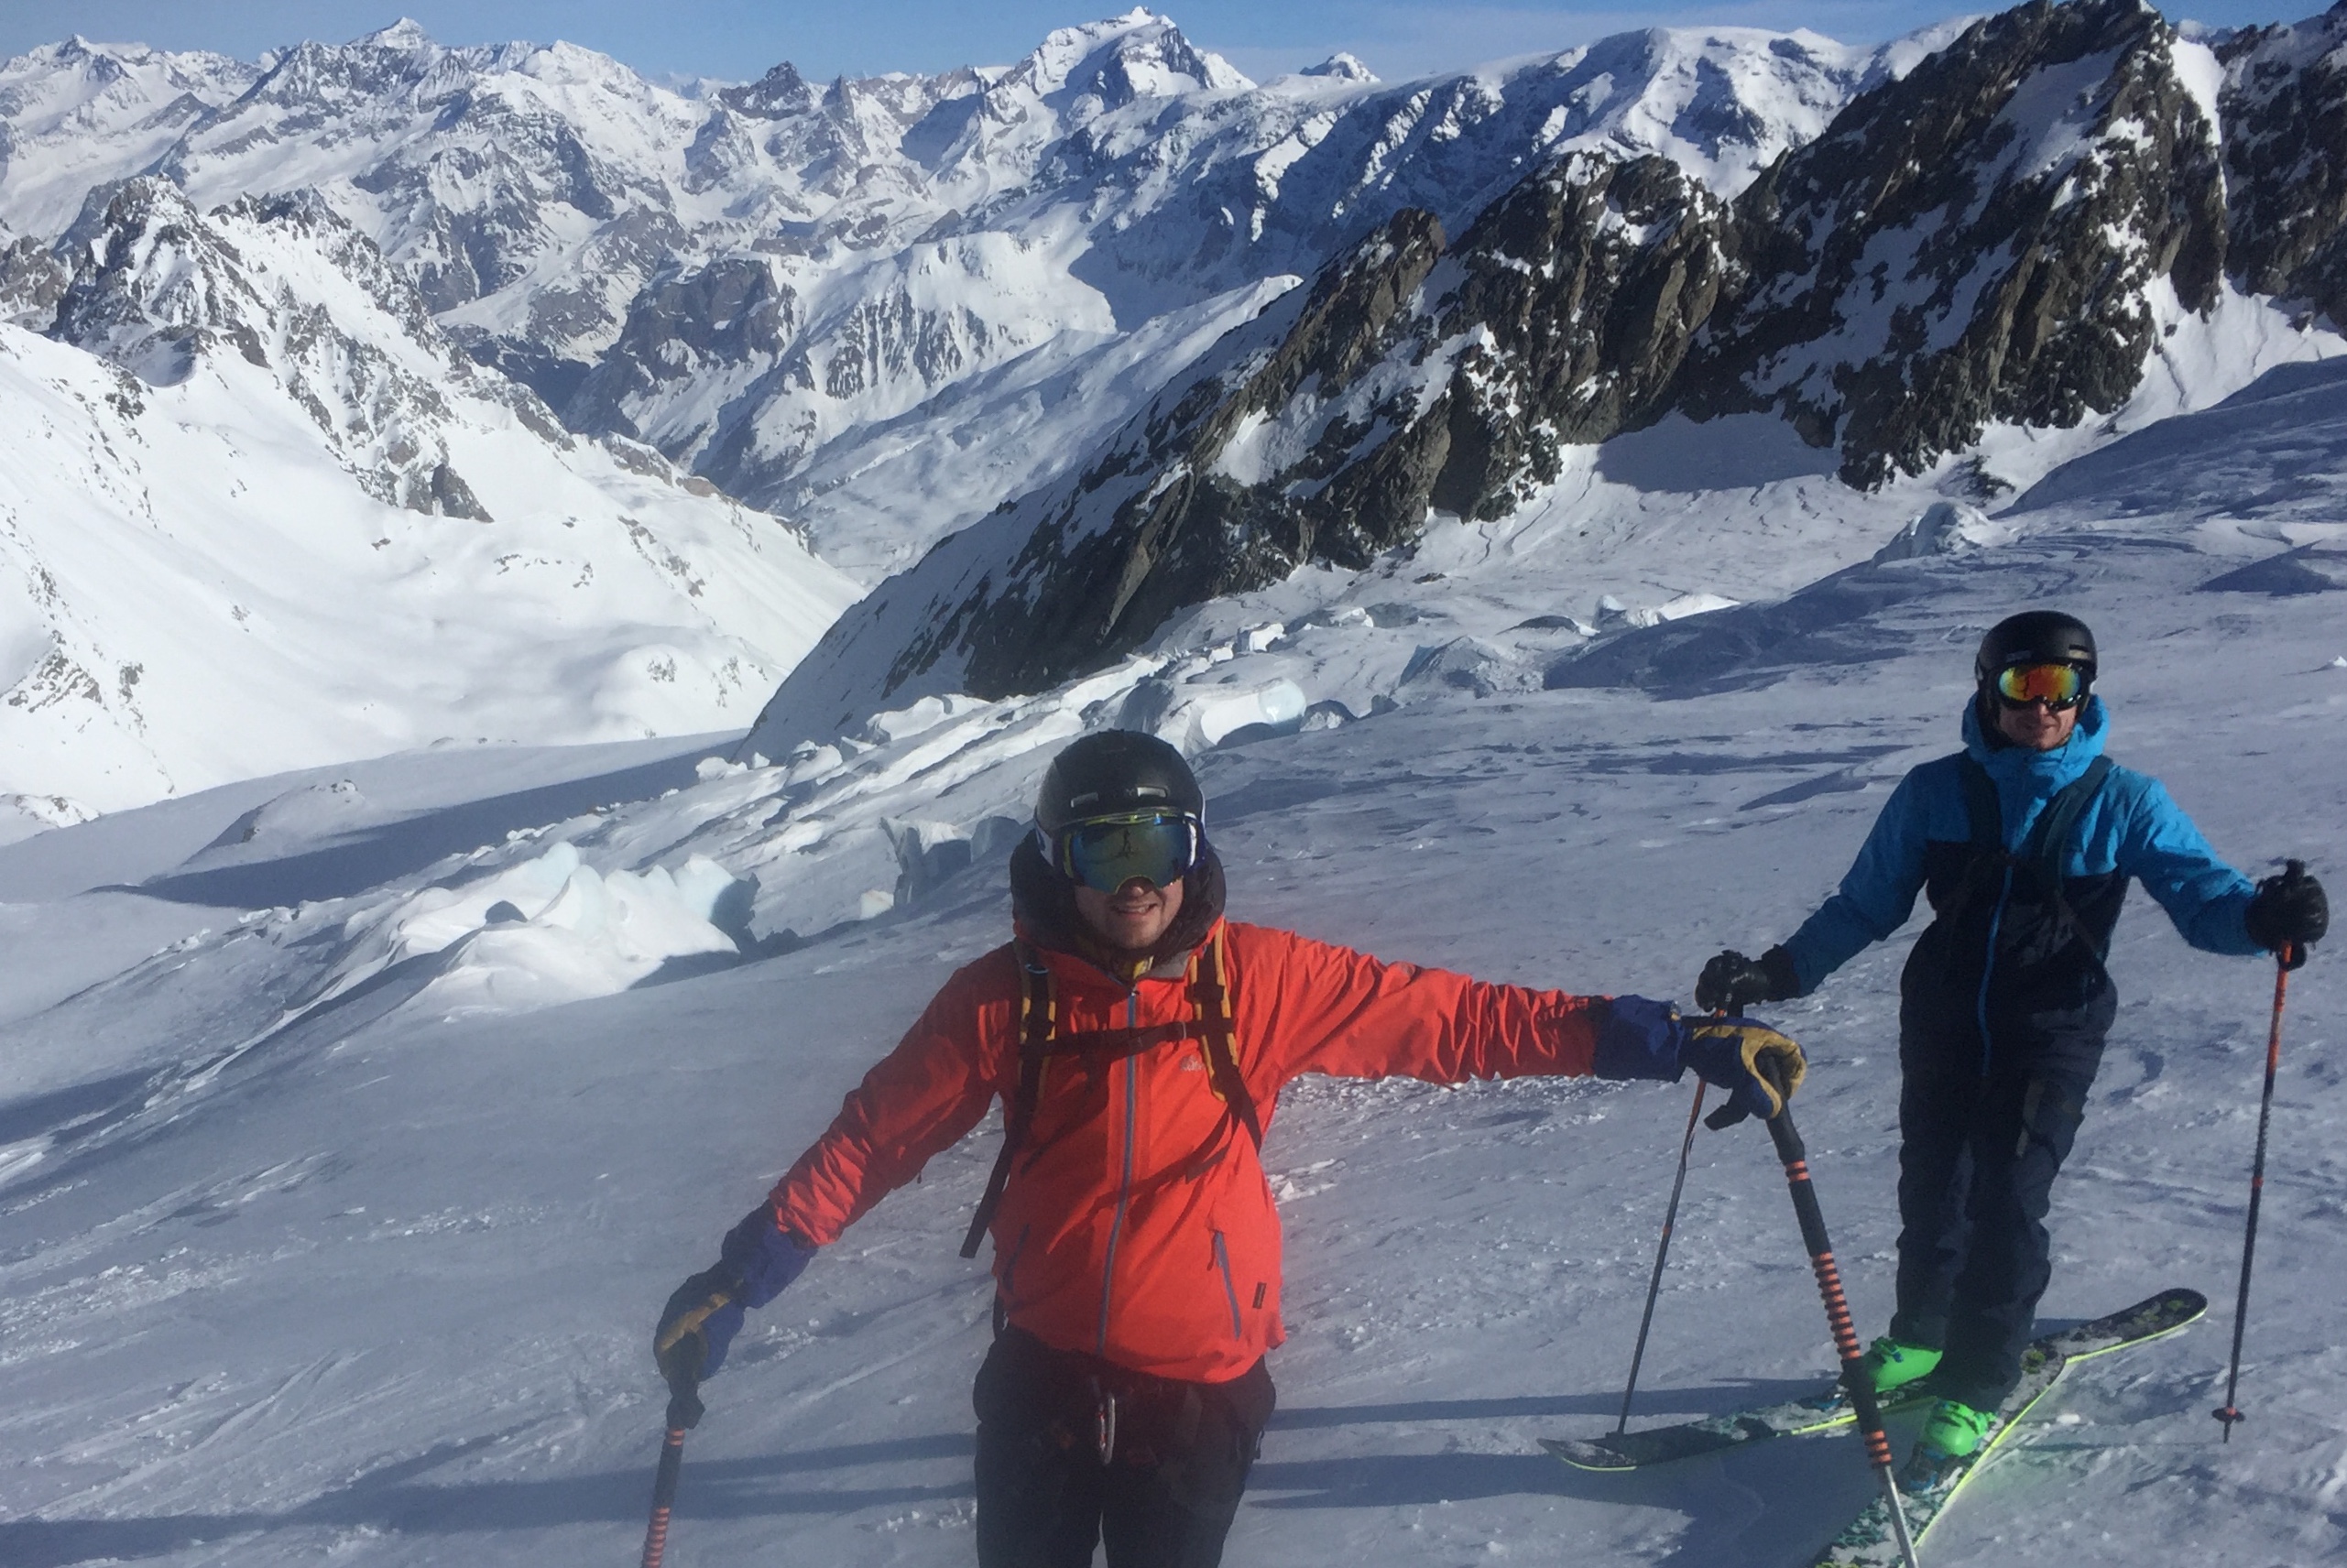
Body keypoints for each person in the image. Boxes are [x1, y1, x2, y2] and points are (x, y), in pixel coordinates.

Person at [657, 729, 1809, 1567]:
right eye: (1103, 851)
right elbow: (874, 1140)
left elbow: (1454, 1018)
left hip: (1201, 1387)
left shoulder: (1255, 978)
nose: (1138, 879)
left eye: (1158, 840)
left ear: (1195, 841)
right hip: (1043, 1371)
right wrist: (740, 1276)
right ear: (1058, 860)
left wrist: (1672, 1041)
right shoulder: (1002, 1000)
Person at [1696, 610, 2327, 1484]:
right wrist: (1775, 974)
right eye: (2022, 686)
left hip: (2052, 1032)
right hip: (1945, 1023)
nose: (2042, 707)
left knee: (2006, 1196)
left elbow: (2203, 896)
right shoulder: (1934, 792)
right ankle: (1920, 1340)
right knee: (1935, 1183)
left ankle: (1976, 1381)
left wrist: (2262, 920)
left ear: (2084, 694)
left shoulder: (2123, 799)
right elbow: (1864, 904)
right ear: (1987, 692)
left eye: (2061, 688)